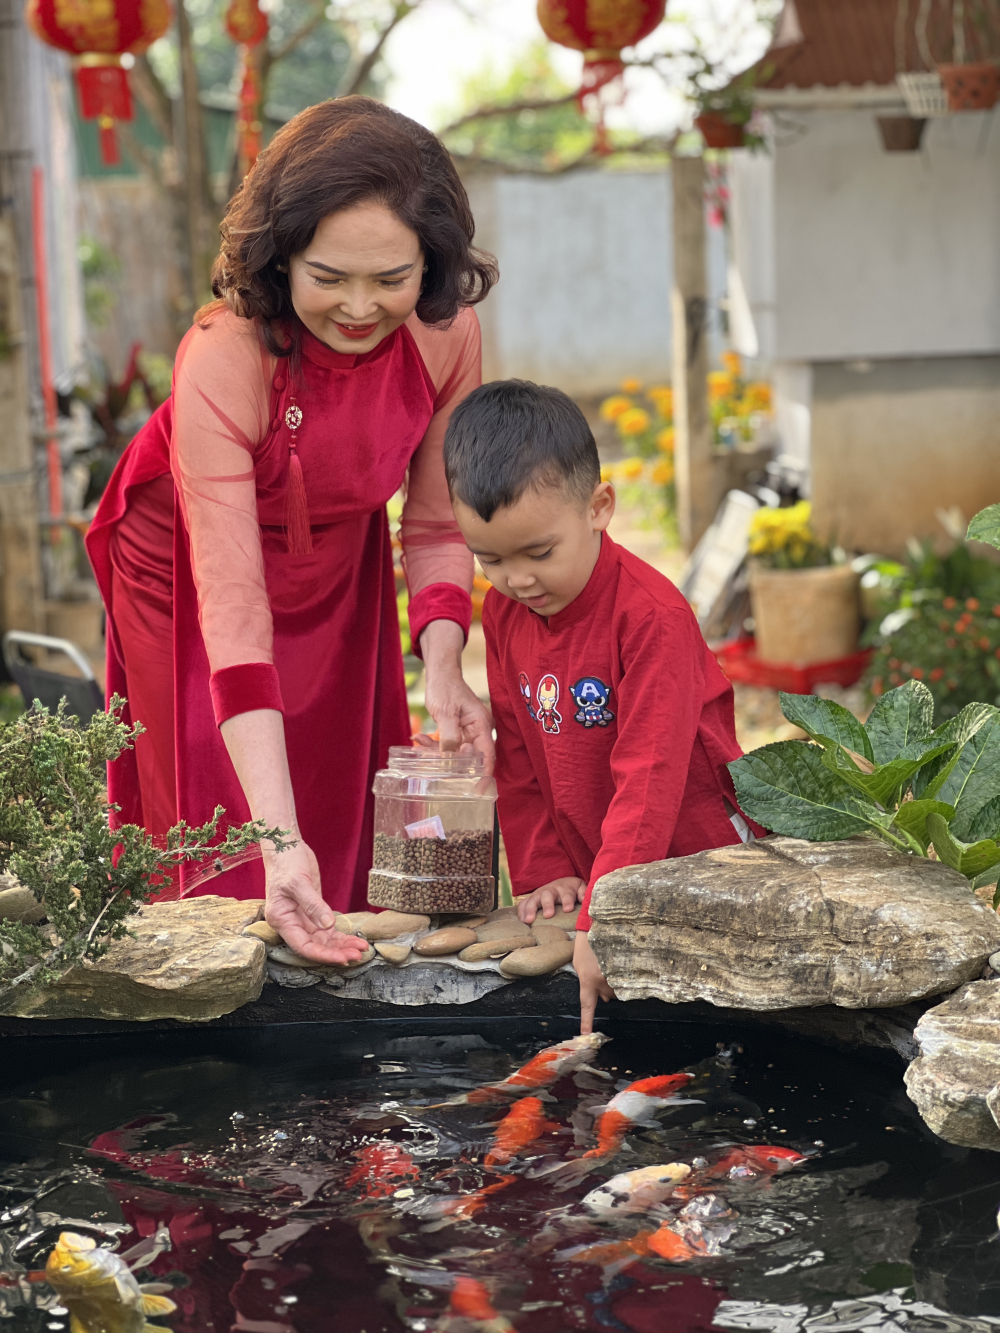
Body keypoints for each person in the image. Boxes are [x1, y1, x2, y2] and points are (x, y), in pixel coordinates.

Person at [85, 97, 497, 965]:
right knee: (220, 808)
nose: (359, 308)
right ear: (281, 255)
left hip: (341, 545)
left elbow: (430, 518)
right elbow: (233, 613)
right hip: (183, 562)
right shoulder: (225, 356)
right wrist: (276, 836)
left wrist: (448, 668)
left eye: (391, 278)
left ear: (432, 261)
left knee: (338, 769)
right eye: (328, 276)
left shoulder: (446, 332)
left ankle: (332, 925)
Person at [442, 380, 761, 1032]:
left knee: (718, 1033)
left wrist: (606, 914)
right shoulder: (506, 613)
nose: (518, 579)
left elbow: (649, 773)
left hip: (701, 857)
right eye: (490, 558)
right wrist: (546, 871)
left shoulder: (652, 617)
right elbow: (523, 756)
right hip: (607, 859)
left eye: (539, 552)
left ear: (599, 507)